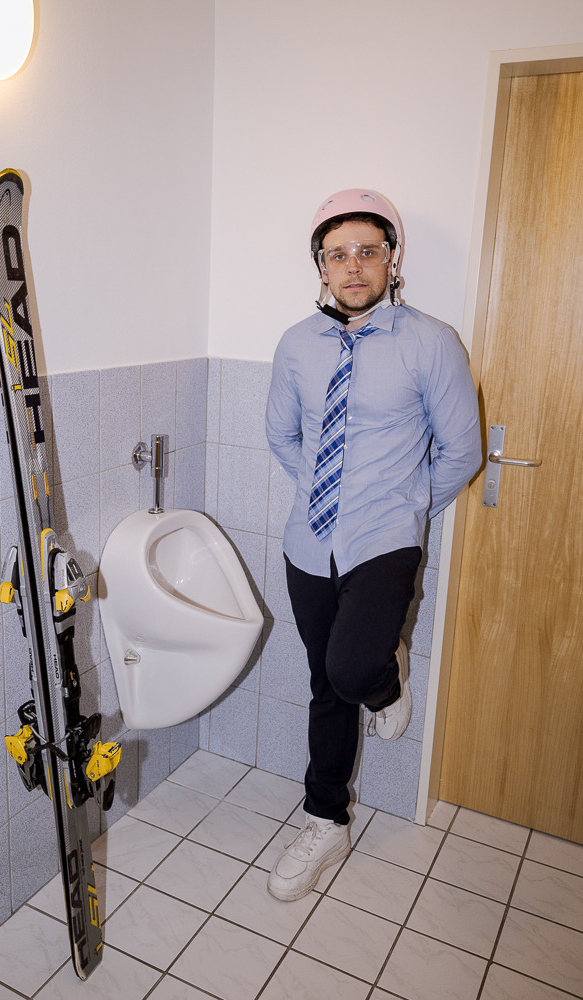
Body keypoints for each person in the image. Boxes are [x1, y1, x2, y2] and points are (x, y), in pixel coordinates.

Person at [264, 188, 481, 901]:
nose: (352, 266)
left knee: (354, 671)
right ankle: (326, 820)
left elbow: (460, 450)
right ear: (320, 267)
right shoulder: (297, 344)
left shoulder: (431, 342)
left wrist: (406, 506)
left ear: (392, 259)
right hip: (309, 539)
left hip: (385, 538)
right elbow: (281, 433)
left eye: (367, 251)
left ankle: (387, 678)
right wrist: (320, 493)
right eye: (337, 255)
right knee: (324, 685)